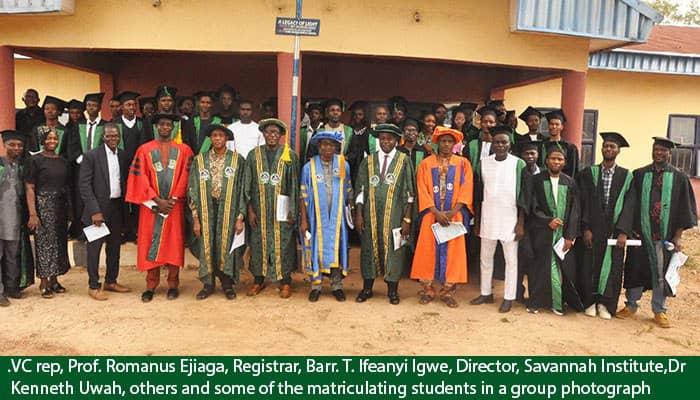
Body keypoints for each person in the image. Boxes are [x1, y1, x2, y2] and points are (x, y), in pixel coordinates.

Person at [618, 137, 697, 328]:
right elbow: (630, 205)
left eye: (663, 150)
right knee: (635, 269)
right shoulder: (640, 174)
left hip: (665, 237)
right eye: (656, 149)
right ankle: (631, 305)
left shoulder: (679, 178)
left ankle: (659, 310)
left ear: (670, 153)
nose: (659, 153)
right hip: (641, 235)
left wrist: (678, 235)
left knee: (662, 274)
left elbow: (684, 209)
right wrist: (628, 230)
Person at [126, 113, 194, 302]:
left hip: (174, 206)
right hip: (151, 207)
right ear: (156, 127)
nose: (164, 127)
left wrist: (173, 199)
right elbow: (140, 179)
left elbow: (186, 177)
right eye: (161, 124)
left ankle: (173, 284)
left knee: (173, 243)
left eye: (168, 125)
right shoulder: (144, 150)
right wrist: (156, 200)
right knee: (150, 243)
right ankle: (150, 285)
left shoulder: (184, 150)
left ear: (173, 128)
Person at [411, 126, 473, 307]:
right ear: (437, 142)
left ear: (454, 144)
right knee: (426, 251)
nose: (446, 144)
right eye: (443, 141)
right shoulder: (426, 163)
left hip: (454, 216)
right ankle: (427, 289)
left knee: (454, 253)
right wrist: (436, 212)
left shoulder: (463, 163)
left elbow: (467, 188)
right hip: (431, 215)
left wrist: (453, 211)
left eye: (450, 141)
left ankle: (447, 291)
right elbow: (421, 188)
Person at [470, 126, 530, 313]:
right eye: (497, 142)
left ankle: (508, 297)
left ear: (510, 144)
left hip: (510, 218)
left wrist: (520, 223)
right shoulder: (483, 163)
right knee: (485, 258)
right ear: (492, 144)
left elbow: (524, 196)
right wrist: (478, 221)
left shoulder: (518, 164)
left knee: (510, 260)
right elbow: (479, 195)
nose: (500, 145)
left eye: (504, 142)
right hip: (488, 216)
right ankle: (486, 293)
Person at [576, 132, 635, 319]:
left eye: (612, 147)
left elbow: (629, 206)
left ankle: (605, 305)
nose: (608, 149)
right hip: (592, 230)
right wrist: (585, 228)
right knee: (589, 266)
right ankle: (589, 303)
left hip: (614, 231)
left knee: (613, 269)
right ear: (601, 148)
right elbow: (582, 202)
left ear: (618, 151)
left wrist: (623, 232)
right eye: (606, 146)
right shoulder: (588, 173)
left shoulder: (627, 176)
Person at [355, 124, 415, 305]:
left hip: (395, 216)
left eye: (390, 138)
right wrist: (358, 214)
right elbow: (360, 190)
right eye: (382, 138)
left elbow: (410, 194)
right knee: (368, 249)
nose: (386, 142)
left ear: (397, 140)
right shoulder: (369, 161)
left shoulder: (404, 161)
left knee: (394, 250)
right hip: (370, 215)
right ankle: (367, 288)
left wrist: (407, 219)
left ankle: (393, 290)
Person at [240, 118, 299, 298]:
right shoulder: (253, 155)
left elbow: (294, 186)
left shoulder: (289, 156)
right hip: (260, 210)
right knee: (258, 243)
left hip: (282, 211)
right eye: (268, 132)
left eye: (275, 132)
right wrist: (249, 211)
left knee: (285, 243)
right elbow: (247, 185)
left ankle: (285, 281)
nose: (272, 135)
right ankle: (258, 280)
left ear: (281, 135)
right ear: (263, 134)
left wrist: (292, 211)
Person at [188, 124, 245, 300]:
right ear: (210, 138)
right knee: (207, 245)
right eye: (214, 135)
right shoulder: (200, 160)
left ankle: (227, 284)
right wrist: (196, 218)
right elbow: (193, 189)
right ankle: (208, 284)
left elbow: (244, 189)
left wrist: (240, 217)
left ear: (226, 139)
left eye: (221, 136)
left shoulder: (237, 160)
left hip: (229, 208)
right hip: (207, 209)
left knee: (226, 246)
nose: (218, 139)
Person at [528, 142, 582, 315]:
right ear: (546, 160)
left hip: (562, 233)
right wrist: (547, 220)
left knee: (559, 268)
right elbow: (532, 206)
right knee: (539, 267)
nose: (556, 162)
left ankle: (557, 302)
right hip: (542, 231)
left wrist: (570, 235)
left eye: (559, 159)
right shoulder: (537, 180)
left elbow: (575, 211)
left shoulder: (570, 182)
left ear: (564, 162)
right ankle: (536, 302)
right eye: (553, 158)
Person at [79, 123, 131, 301]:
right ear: (103, 137)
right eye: (109, 136)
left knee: (114, 246)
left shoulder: (122, 155)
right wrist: (95, 211)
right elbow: (84, 186)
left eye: (116, 136)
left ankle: (111, 280)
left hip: (116, 207)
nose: (113, 139)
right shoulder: (91, 156)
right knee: (94, 249)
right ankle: (93, 285)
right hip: (98, 210)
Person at [299, 131, 353, 302]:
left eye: (331, 144)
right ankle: (316, 285)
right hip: (316, 218)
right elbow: (303, 195)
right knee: (317, 248)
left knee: (337, 248)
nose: (327, 148)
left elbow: (348, 190)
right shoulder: (309, 167)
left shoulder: (343, 164)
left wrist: (351, 209)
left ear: (336, 146)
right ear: (318, 145)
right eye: (324, 144)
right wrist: (304, 220)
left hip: (337, 218)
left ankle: (337, 286)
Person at [25, 128, 71, 298]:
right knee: (44, 244)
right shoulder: (34, 160)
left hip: (60, 205)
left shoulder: (63, 161)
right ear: (42, 141)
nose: (53, 141)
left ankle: (54, 280)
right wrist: (33, 214)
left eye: (55, 138)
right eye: (49, 138)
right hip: (42, 205)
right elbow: (29, 187)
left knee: (59, 243)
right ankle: (43, 283)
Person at [0, 131, 35, 305]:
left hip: (15, 220)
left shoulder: (23, 167)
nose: (16, 148)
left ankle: (12, 287)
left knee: (13, 255)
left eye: (20, 145)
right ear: (4, 145)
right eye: (12, 145)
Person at [67, 92, 106, 239]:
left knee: (96, 197)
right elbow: (73, 146)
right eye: (89, 105)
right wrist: (81, 159)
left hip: (100, 169)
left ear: (99, 107)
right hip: (81, 168)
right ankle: (81, 230)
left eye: (94, 105)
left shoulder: (106, 125)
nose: (91, 108)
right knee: (80, 198)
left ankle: (97, 229)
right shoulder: (78, 126)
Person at [515, 140, 542, 302]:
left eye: (533, 153)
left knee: (536, 260)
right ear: (521, 155)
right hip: (522, 221)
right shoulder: (519, 173)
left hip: (539, 223)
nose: (530, 156)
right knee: (520, 259)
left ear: (538, 155)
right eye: (527, 153)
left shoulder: (544, 174)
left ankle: (534, 296)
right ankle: (518, 293)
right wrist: (520, 223)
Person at [540, 109, 578, 177]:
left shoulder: (570, 147)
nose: (554, 127)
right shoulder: (541, 145)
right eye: (551, 124)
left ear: (561, 127)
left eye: (557, 124)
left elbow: (573, 170)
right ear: (548, 126)